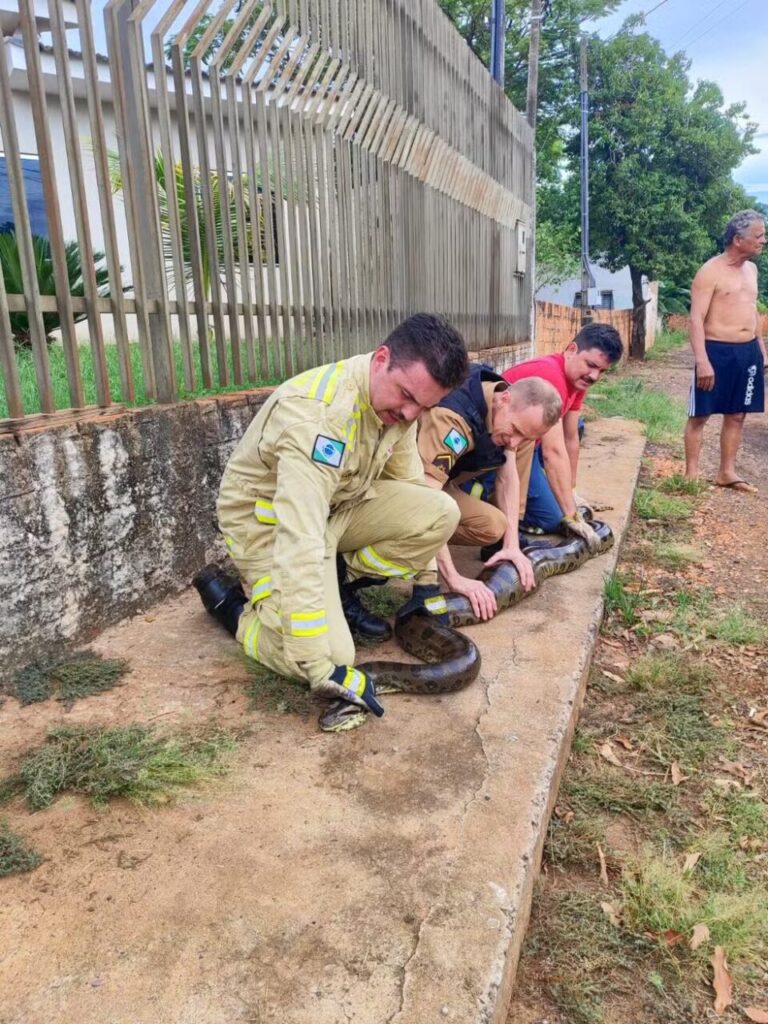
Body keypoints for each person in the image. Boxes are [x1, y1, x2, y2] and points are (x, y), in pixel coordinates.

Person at [192, 313, 469, 729]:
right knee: (334, 655)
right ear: (381, 359)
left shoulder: (399, 409)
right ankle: (236, 611)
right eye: (406, 396)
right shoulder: (318, 418)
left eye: (423, 407)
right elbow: (299, 538)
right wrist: (318, 668)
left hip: (333, 512)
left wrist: (426, 586)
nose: (410, 413)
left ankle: (338, 580)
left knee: (442, 512)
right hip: (269, 525)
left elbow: (413, 488)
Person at [417, 367, 562, 620]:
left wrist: (512, 545)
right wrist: (453, 578)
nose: (514, 442)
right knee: (428, 512)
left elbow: (508, 474)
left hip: (441, 482)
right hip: (408, 488)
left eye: (524, 436)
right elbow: (425, 498)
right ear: (504, 399)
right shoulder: (453, 418)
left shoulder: (505, 407)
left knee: (494, 526)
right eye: (515, 430)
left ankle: (435, 542)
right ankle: (413, 548)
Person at [501, 322, 624, 536]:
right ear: (571, 350)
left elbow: (570, 438)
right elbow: (553, 452)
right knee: (552, 519)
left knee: (578, 426)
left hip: (529, 442)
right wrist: (571, 515)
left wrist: (571, 491)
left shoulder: (577, 381)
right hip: (504, 445)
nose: (594, 376)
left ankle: (546, 488)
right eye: (590, 365)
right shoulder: (550, 376)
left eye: (602, 371)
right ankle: (497, 505)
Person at [684, 209, 766, 492]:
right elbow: (695, 319)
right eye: (758, 236)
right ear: (738, 239)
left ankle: (726, 472)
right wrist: (702, 361)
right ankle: (691, 475)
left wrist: (761, 350)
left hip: (747, 352)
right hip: (715, 351)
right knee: (700, 415)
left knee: (737, 414)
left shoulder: (752, 270)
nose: (763, 240)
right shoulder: (710, 271)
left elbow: (752, 312)